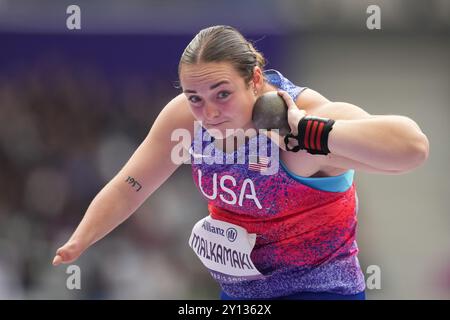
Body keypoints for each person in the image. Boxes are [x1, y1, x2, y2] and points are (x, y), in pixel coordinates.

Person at [52, 25, 429, 300]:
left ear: (256, 79)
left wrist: (308, 131)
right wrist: (80, 239)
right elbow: (129, 186)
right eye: (195, 97)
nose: (209, 111)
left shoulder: (305, 120)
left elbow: (411, 147)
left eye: (222, 93)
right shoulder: (186, 118)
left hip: (322, 293)